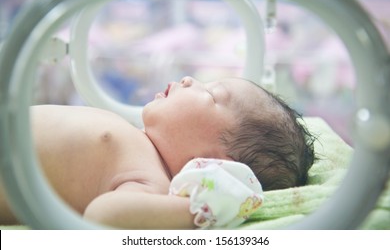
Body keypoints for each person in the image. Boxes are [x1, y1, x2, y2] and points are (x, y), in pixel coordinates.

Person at [0, 76, 315, 229]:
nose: (190, 80)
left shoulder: (152, 183)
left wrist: (204, 207)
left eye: (210, 93)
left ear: (217, 164)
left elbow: (102, 216)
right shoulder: (141, 144)